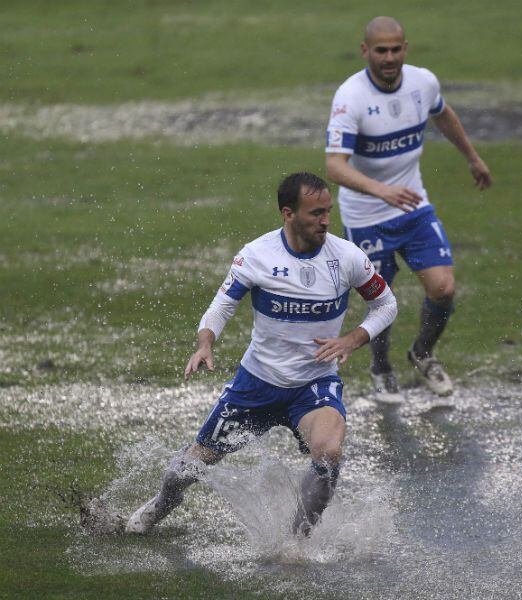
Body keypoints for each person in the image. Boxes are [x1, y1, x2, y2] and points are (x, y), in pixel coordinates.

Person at [126, 172, 397, 535]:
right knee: (191, 466)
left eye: (329, 211)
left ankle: (296, 541)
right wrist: (205, 343)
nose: (326, 221)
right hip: (256, 385)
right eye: (316, 213)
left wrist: (352, 339)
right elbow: (221, 306)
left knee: (329, 455)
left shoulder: (347, 257)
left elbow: (386, 304)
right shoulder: (256, 256)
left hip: (314, 385)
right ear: (288, 213)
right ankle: (160, 504)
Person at [325, 16, 492, 402]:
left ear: (406, 48)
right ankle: (381, 367)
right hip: (367, 216)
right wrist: (380, 190)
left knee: (444, 288)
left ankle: (422, 352)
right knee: (381, 299)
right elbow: (334, 166)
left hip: (413, 205)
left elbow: (443, 114)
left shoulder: (423, 82)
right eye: (380, 50)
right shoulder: (351, 97)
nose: (389, 57)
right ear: (365, 51)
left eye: (395, 49)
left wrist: (472, 158)